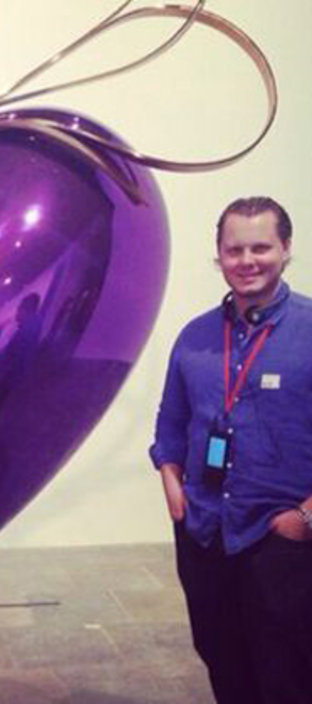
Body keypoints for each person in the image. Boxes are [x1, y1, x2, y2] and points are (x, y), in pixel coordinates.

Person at [150, 197, 312, 704]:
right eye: (234, 249)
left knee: (288, 676)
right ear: (218, 254)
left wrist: (305, 518)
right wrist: (175, 491)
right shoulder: (195, 336)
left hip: (283, 542)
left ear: (285, 248)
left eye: (260, 248)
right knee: (224, 664)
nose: (247, 261)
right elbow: (171, 424)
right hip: (205, 534)